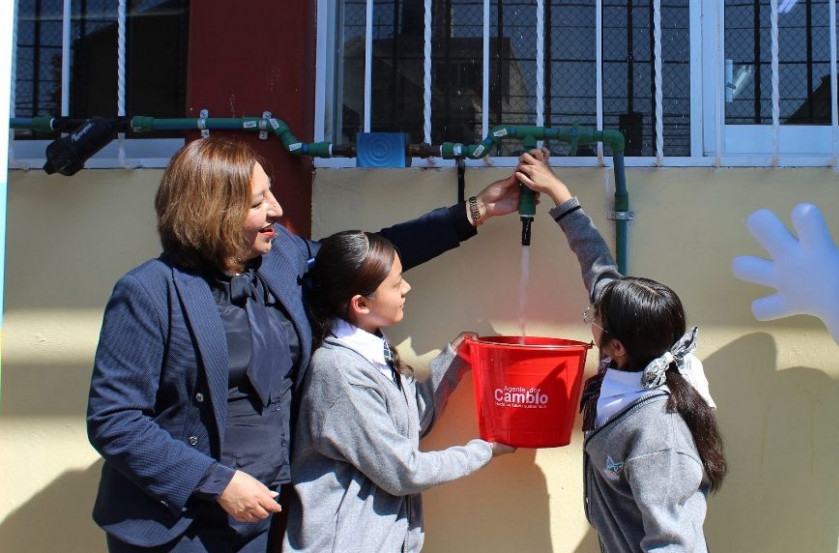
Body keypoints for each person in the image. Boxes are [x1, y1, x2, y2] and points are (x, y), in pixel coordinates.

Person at [86, 136, 523, 553]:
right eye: (257, 202)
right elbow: (114, 420)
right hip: (177, 523)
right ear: (211, 212)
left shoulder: (282, 259)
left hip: (260, 518)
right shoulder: (149, 292)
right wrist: (216, 482)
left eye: (270, 192)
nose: (276, 209)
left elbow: (362, 263)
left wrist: (473, 212)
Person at [515, 148, 726, 553]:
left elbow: (672, 543)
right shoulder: (627, 355)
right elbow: (594, 260)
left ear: (616, 344)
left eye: (594, 315)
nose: (591, 313)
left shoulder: (658, 434)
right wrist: (557, 190)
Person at [284, 231, 514, 553]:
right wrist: (484, 451)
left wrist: (453, 363)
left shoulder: (372, 351)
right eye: (395, 284)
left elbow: (408, 424)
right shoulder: (341, 372)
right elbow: (403, 471)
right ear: (361, 304)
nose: (407, 288)